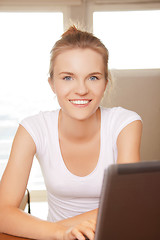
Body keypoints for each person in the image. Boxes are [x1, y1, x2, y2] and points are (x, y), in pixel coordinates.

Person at [0, 25, 142, 240]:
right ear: (52, 84)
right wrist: (60, 232)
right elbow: (2, 213)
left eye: (93, 77)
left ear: (106, 83)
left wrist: (57, 229)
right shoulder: (32, 128)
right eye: (68, 77)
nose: (81, 89)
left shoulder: (125, 123)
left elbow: (129, 204)